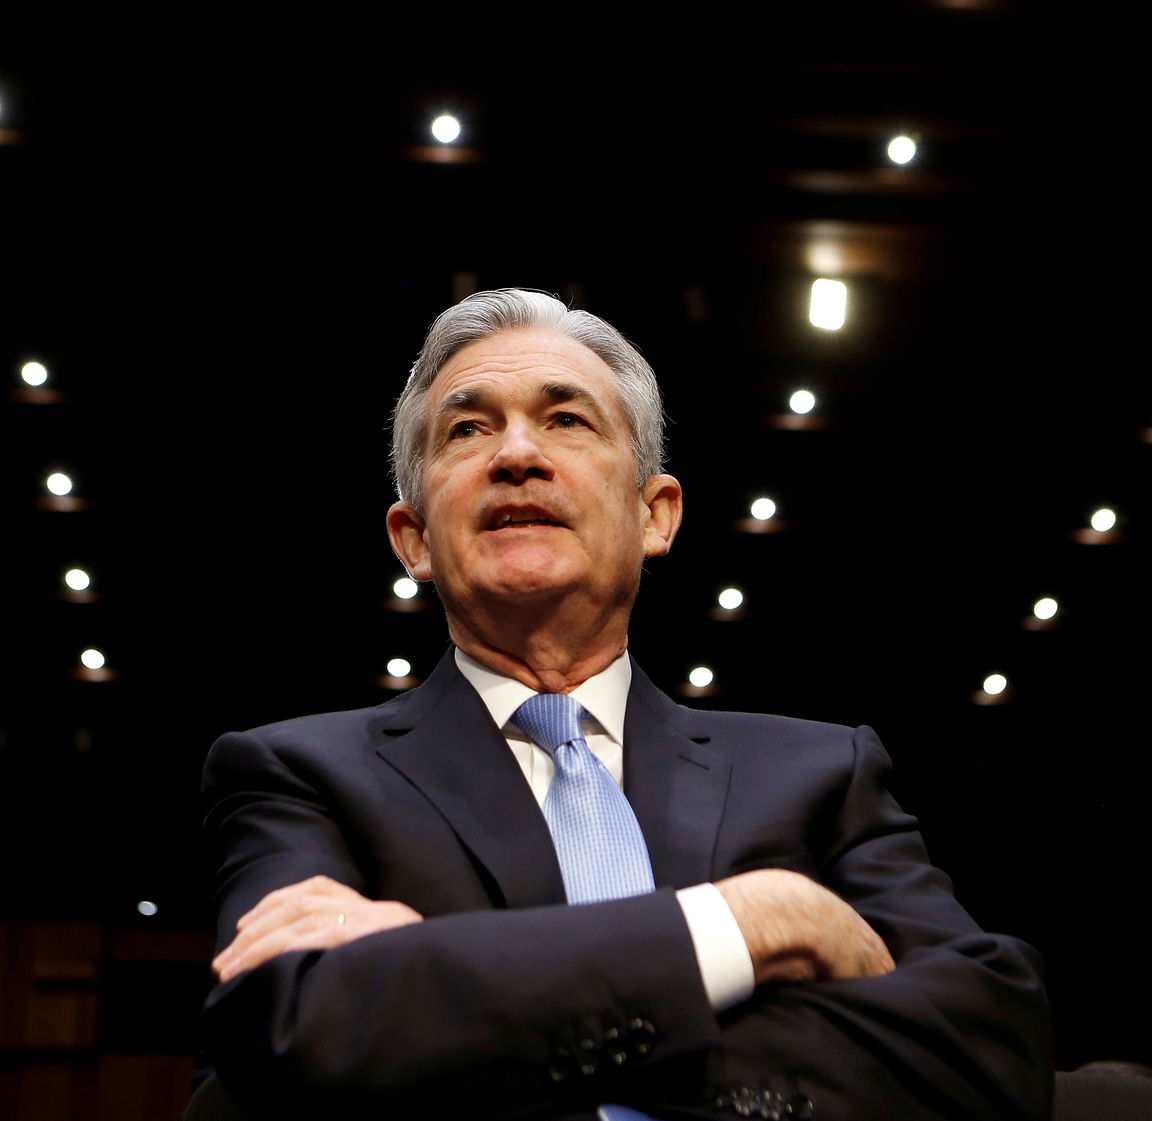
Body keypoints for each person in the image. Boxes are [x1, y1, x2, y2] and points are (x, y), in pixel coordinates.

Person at [198, 289, 1050, 1120]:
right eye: (468, 428)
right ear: (413, 537)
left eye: (567, 420)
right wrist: (747, 923)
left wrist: (437, 988)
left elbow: (991, 1046)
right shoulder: (298, 772)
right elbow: (290, 1034)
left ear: (656, 515)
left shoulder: (823, 770)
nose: (516, 455)